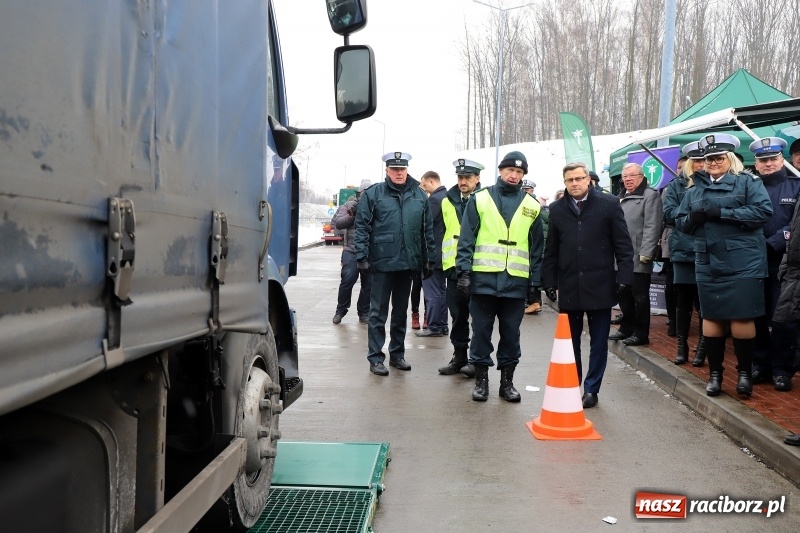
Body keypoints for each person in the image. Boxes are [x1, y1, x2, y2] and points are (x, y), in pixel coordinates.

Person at [674, 133, 773, 397]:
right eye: (708, 158)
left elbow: (763, 212)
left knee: (742, 318)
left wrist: (724, 213)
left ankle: (743, 374)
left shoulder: (748, 183)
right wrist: (691, 218)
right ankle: (715, 375)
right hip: (707, 260)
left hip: (744, 261)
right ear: (702, 162)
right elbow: (679, 223)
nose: (713, 162)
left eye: (719, 157)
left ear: (729, 159)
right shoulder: (693, 189)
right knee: (712, 318)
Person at [543, 162, 634, 408]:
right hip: (570, 285)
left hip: (601, 284)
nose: (575, 183)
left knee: (598, 341)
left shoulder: (608, 204)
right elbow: (551, 250)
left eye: (579, 178)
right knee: (570, 342)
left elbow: (623, 246)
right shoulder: (557, 209)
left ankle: (592, 389)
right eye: (570, 180)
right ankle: (573, 386)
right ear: (565, 183)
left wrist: (625, 278)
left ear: (588, 180)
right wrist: (549, 281)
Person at [456, 151, 544, 402]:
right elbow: (466, 239)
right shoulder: (480, 199)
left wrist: (535, 283)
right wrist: (463, 272)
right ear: (500, 171)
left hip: (515, 283)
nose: (514, 175)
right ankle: (481, 381)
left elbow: (537, 249)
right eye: (510, 171)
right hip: (483, 281)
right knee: (481, 332)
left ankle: (507, 384)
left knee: (511, 334)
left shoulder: (532, 206)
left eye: (519, 172)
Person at [355, 152, 435, 376]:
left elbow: (427, 230)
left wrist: (430, 258)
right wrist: (361, 256)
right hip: (381, 262)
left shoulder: (419, 196)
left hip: (408, 263)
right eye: (394, 169)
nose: (399, 173)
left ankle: (397, 354)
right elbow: (362, 227)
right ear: (387, 171)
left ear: (407, 170)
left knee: (400, 311)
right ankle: (375, 357)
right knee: (378, 313)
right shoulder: (374, 195)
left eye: (402, 169)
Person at [749, 137, 800, 392]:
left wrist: (774, 242)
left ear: (782, 160)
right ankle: (761, 363)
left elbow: (795, 223)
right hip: (753, 262)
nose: (768, 164)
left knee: (783, 319)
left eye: (772, 159)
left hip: (784, 262)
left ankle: (782, 369)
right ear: (755, 164)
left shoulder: (796, 186)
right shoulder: (749, 187)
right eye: (763, 160)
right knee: (756, 315)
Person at [437, 158, 484, 378]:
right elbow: (441, 232)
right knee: (457, 315)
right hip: (454, 270)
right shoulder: (447, 201)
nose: (463, 181)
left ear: (477, 179)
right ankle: (459, 356)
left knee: (478, 316)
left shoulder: (487, 200)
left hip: (479, 268)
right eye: (460, 177)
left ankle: (475, 360)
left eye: (468, 177)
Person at [609, 163, 663, 346]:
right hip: (620, 257)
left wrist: (646, 252)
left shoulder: (650, 195)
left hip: (638, 255)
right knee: (623, 293)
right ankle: (626, 328)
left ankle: (641, 333)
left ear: (641, 176)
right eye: (625, 176)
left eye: (632, 176)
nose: (628, 179)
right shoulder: (619, 197)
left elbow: (652, 226)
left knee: (639, 296)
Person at [663, 143, 707, 365]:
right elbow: (669, 215)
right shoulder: (676, 186)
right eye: (696, 161)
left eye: (704, 160)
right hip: (683, 250)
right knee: (683, 300)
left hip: (709, 250)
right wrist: (693, 213)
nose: (700, 165)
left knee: (704, 303)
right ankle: (682, 345)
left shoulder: (715, 184)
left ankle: (702, 347)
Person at [332, 179, 372, 324]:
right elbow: (338, 223)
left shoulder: (377, 206)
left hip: (370, 252)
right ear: (359, 193)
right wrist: (352, 215)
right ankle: (340, 311)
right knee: (347, 281)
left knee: (369, 284)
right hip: (351, 251)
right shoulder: (349, 205)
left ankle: (364, 312)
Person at [417, 171, 448, 337]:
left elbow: (425, 225)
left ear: (430, 181)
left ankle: (434, 326)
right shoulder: (448, 196)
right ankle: (442, 325)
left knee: (432, 293)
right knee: (441, 292)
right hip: (445, 253)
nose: (424, 189)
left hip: (433, 254)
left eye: (424, 185)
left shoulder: (435, 199)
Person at [521, 178, 547, 315]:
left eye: (528, 191)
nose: (525, 193)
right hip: (527, 244)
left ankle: (535, 302)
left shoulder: (534, 205)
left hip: (534, 244)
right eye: (524, 190)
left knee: (533, 272)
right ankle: (533, 302)